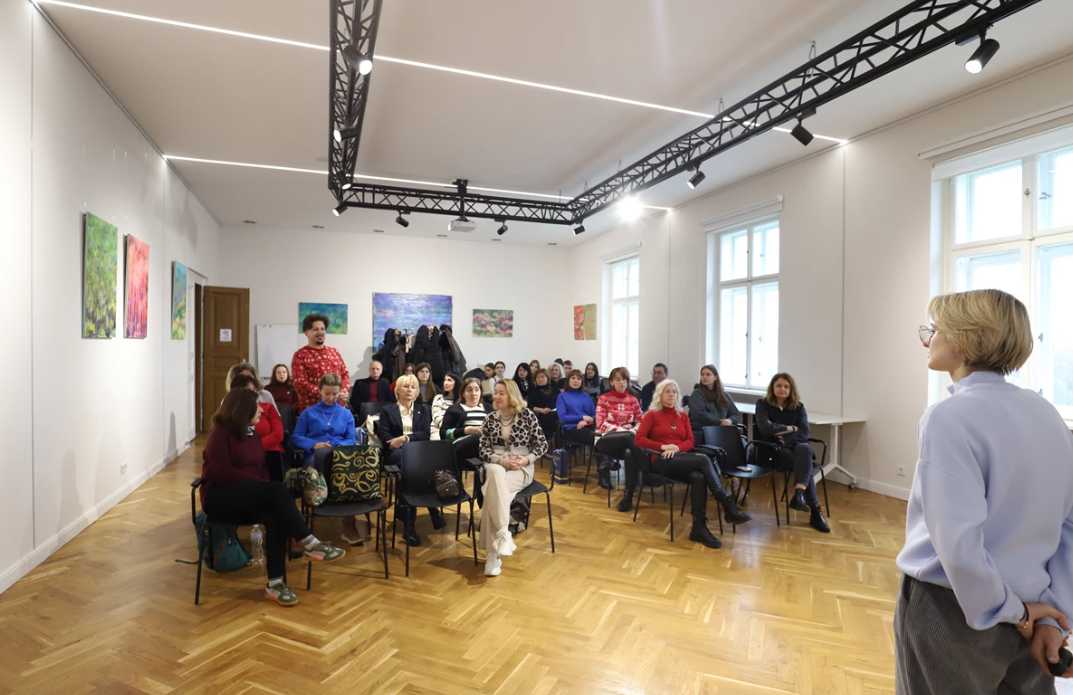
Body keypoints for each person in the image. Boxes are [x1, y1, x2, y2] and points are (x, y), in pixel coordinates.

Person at [895, 289, 1073, 694]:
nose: (927, 341)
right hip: (1036, 611)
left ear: (963, 339)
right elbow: (1069, 528)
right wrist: (1050, 618)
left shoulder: (948, 418)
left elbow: (958, 545)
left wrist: (1017, 612)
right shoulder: (1047, 415)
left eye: (935, 330)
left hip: (952, 612)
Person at [201, 387, 345, 606]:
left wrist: (261, 488)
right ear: (242, 409)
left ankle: (275, 584)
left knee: (276, 513)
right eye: (256, 406)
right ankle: (308, 542)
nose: (261, 410)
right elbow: (220, 473)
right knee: (277, 491)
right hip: (220, 499)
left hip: (247, 495)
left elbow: (260, 469)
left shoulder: (251, 433)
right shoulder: (220, 433)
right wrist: (261, 487)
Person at [623, 379, 750, 547]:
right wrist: (662, 446)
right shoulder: (651, 415)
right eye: (667, 391)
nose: (671, 395)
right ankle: (727, 504)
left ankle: (699, 528)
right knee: (703, 459)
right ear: (659, 395)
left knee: (699, 477)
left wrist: (676, 447)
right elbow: (638, 440)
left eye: (674, 392)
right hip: (660, 460)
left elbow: (690, 441)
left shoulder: (682, 416)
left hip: (681, 458)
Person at [478, 380, 548, 577]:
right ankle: (502, 535)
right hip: (496, 463)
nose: (496, 396)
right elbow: (483, 449)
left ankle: (492, 556)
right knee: (494, 474)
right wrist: (501, 460)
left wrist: (526, 459)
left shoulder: (527, 415)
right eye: (495, 393)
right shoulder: (490, 418)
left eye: (501, 393)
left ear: (512, 395)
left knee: (492, 497)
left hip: (521, 465)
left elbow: (542, 445)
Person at [754, 373, 829, 533]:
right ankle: (814, 510)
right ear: (772, 388)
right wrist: (790, 428)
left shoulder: (798, 407)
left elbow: (805, 432)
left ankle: (800, 494)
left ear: (791, 389)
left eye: (786, 386)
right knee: (806, 463)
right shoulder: (762, 404)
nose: (782, 389)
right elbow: (765, 429)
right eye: (779, 385)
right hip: (772, 451)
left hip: (793, 449)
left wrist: (784, 437)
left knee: (804, 449)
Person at [375, 374, 442, 546]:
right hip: (396, 453)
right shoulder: (388, 410)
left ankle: (409, 524)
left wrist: (405, 438)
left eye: (413, 387)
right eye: (405, 386)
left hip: (417, 451)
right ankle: (431, 509)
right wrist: (395, 442)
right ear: (397, 390)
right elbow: (384, 434)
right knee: (411, 467)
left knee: (411, 473)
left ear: (417, 391)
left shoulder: (424, 409)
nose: (409, 390)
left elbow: (425, 434)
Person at [230, 373, 285, 482]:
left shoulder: (268, 408)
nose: (253, 395)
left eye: (254, 391)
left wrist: (256, 447)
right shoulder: (232, 413)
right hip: (245, 456)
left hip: (270, 452)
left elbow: (278, 435)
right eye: (248, 392)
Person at [594, 367, 643, 489]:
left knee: (630, 448)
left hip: (627, 438)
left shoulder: (633, 400)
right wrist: (624, 431)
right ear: (611, 382)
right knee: (631, 439)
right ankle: (643, 471)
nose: (622, 383)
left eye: (625, 380)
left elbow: (641, 421)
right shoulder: (603, 398)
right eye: (618, 379)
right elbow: (600, 423)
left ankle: (630, 483)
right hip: (605, 438)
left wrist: (633, 430)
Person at [291, 314, 349, 411]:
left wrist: (343, 391)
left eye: (323, 329)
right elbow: (300, 383)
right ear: (306, 333)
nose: (320, 332)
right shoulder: (300, 355)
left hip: (337, 409)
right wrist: (328, 394)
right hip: (313, 411)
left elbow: (345, 374)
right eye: (315, 329)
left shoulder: (334, 352)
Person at [556, 369, 597, 470]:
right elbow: (562, 417)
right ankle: (604, 466)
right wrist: (581, 417)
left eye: (578, 379)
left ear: (582, 381)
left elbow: (594, 415)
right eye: (573, 378)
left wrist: (585, 422)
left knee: (601, 436)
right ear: (568, 380)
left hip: (587, 426)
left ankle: (604, 466)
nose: (576, 381)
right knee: (596, 438)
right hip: (570, 428)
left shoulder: (586, 396)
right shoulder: (562, 396)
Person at [688, 365, 741, 432]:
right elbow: (699, 415)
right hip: (703, 431)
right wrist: (719, 422)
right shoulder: (697, 394)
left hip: (722, 430)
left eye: (708, 374)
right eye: (702, 374)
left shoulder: (724, 395)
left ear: (715, 377)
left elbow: (736, 414)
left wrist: (730, 420)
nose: (704, 377)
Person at [440, 378, 490, 443]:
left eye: (477, 390)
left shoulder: (489, 408)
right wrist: (465, 430)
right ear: (463, 393)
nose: (473, 393)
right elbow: (443, 434)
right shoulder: (454, 410)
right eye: (469, 390)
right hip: (463, 444)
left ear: (481, 392)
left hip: (487, 444)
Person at [350, 360, 395, 424]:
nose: (375, 371)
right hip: (365, 413)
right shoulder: (360, 383)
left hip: (381, 412)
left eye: (377, 369)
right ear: (369, 370)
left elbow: (390, 400)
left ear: (381, 371)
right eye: (373, 369)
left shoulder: (385, 383)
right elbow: (353, 400)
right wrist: (363, 409)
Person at [527, 369, 559, 446]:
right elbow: (529, 406)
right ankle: (545, 444)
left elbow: (560, 402)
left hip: (554, 413)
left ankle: (555, 446)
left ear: (547, 378)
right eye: (538, 377)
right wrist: (541, 410)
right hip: (539, 415)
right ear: (535, 380)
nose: (540, 379)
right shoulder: (532, 391)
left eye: (542, 377)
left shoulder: (554, 389)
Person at [430, 372, 460, 441]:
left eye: (449, 380)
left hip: (456, 430)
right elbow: (437, 418)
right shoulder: (438, 398)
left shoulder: (461, 400)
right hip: (438, 430)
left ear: (457, 382)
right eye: (445, 380)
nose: (445, 383)